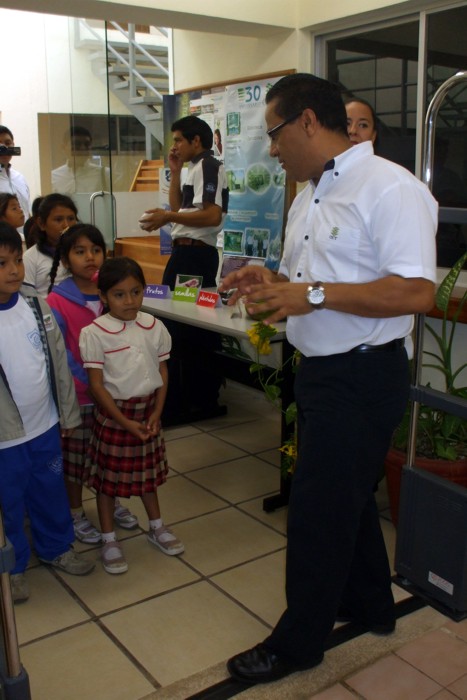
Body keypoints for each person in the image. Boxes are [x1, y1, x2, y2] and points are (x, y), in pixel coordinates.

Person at [219, 73, 438, 684]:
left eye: (274, 133)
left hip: (363, 375)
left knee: (316, 509)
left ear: (308, 122)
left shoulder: (390, 188)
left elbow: (415, 290)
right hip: (315, 370)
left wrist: (309, 295)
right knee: (347, 500)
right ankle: (372, 604)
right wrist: (267, 282)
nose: (271, 148)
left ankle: (298, 645)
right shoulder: (307, 194)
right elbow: (304, 280)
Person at [0, 223, 95, 603]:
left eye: (16, 260)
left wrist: (68, 416)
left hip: (44, 426)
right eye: (1, 263)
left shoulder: (35, 305)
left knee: (49, 490)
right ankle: (14, 564)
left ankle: (56, 546)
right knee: (9, 501)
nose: (13, 270)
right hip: (6, 438)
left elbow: (59, 362)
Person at [79, 256, 184, 574]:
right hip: (115, 415)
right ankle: (109, 539)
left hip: (148, 412)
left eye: (136, 292)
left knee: (147, 478)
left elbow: (162, 372)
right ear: (103, 297)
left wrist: (157, 412)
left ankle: (157, 526)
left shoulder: (155, 327)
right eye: (119, 294)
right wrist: (123, 421)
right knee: (108, 483)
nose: (129, 301)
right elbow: (97, 386)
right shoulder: (95, 332)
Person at [47, 224, 139, 544]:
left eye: (96, 250)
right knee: (75, 460)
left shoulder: (114, 294)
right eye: (80, 251)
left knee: (109, 456)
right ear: (65, 259)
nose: (90, 257)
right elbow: (59, 353)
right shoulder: (56, 301)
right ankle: (74, 512)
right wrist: (89, 380)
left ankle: (110, 504)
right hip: (81, 396)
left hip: (114, 393)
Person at [139, 115, 229, 423]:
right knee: (177, 322)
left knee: (184, 325)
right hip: (184, 257)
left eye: (179, 139)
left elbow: (211, 216)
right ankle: (185, 396)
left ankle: (191, 399)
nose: (174, 146)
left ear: (196, 141)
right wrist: (175, 174)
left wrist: (167, 218)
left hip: (194, 259)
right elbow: (181, 210)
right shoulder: (193, 169)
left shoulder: (210, 166)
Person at [23, 193, 78, 297]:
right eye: (58, 219)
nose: (66, 225)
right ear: (41, 224)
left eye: (71, 219)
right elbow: (29, 299)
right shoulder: (30, 258)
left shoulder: (82, 253)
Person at [51, 125, 109, 195]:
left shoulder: (104, 174)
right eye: (76, 144)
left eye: (87, 144)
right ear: (63, 148)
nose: (82, 148)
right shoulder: (53, 177)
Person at [0, 126, 31, 223]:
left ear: (13, 145)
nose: (3, 147)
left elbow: (27, 211)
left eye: (7, 143)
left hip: (24, 237)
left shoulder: (20, 178)